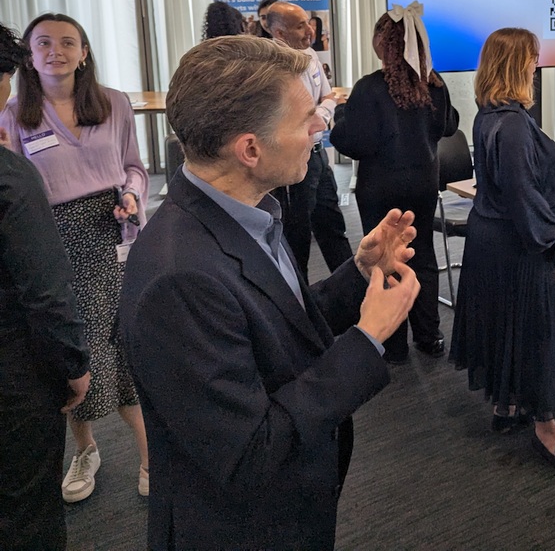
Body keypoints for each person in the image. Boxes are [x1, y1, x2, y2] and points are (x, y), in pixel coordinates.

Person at [119, 35, 420, 551]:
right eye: (305, 118)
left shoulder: (245, 214)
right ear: (250, 150)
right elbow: (250, 452)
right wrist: (368, 337)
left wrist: (358, 273)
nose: (320, 126)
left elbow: (277, 327)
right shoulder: (179, 279)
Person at [0, 13, 149, 504]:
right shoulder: (13, 112)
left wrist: (131, 194)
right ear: (28, 56)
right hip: (49, 241)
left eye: (68, 42)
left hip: (111, 233)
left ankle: (150, 453)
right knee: (71, 344)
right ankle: (85, 449)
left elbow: (134, 167)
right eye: (43, 43)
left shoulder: (113, 103)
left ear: (84, 52)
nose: (55, 51)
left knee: (123, 340)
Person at [449, 28, 555, 469]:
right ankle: (546, 429)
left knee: (503, 323)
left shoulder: (488, 114)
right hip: (516, 242)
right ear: (518, 64)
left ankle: (507, 406)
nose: (537, 66)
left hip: (488, 237)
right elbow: (523, 194)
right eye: (533, 58)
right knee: (535, 330)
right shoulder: (516, 124)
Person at [0, 23, 90, 551]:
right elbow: (45, 292)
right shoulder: (10, 177)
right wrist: (73, 365)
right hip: (15, 373)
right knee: (27, 507)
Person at [331, 5, 459, 360]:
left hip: (380, 189)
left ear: (382, 42)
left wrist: (340, 113)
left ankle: (393, 343)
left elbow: (352, 141)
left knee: (385, 260)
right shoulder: (433, 83)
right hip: (423, 184)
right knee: (423, 255)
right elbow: (448, 125)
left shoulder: (369, 88)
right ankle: (430, 336)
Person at [263, 1, 352, 280]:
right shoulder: (271, 66)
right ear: (279, 33)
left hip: (317, 154)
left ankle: (354, 290)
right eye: (300, 26)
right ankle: (297, 300)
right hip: (292, 159)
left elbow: (328, 97)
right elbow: (301, 117)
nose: (310, 31)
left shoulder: (311, 54)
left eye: (309, 23)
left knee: (332, 224)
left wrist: (320, 112)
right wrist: (325, 111)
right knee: (297, 235)